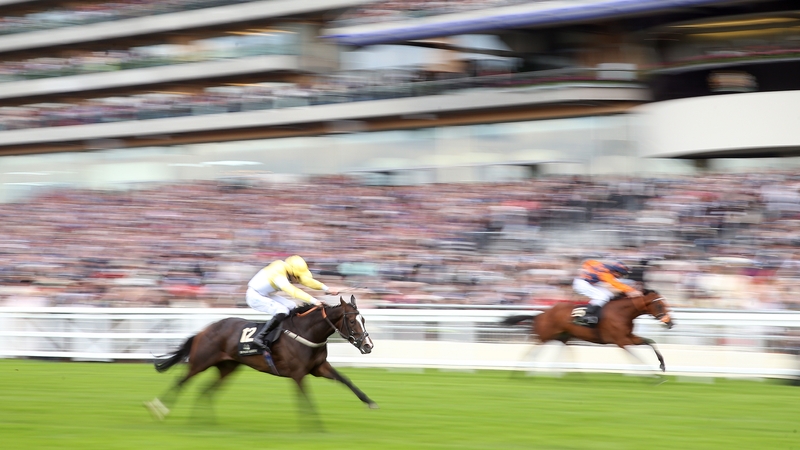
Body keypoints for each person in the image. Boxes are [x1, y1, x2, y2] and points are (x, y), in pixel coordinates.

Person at [246, 255, 337, 350]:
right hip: (254, 296)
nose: (298, 280)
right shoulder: (278, 272)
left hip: (265, 294)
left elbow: (307, 281)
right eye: (297, 277)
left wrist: (327, 289)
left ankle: (287, 332)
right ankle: (260, 337)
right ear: (292, 272)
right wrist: (314, 301)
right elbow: (293, 291)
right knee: (282, 310)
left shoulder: (289, 270)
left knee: (292, 305)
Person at [572, 259, 641, 326]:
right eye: (621, 274)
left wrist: (585, 269)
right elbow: (616, 284)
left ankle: (601, 312)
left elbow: (588, 262)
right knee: (602, 297)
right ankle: (586, 316)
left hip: (587, 282)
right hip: (582, 284)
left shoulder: (602, 265)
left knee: (609, 294)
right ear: (616, 271)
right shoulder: (606, 274)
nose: (621, 276)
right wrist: (631, 290)